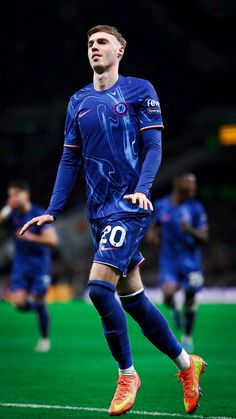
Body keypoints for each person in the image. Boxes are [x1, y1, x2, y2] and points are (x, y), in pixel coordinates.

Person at [20, 25, 207, 415]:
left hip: (130, 204)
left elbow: (154, 146)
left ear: (120, 50)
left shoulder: (140, 90)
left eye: (102, 41)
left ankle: (127, 374)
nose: (94, 47)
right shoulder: (78, 101)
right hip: (97, 211)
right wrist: (52, 208)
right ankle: (188, 365)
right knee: (134, 301)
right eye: (89, 43)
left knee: (98, 289)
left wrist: (144, 186)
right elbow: (70, 159)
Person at [149, 173, 209, 353]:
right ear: (179, 183)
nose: (194, 187)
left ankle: (188, 336)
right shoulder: (161, 205)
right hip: (169, 261)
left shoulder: (196, 208)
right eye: (191, 183)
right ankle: (174, 306)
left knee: (190, 296)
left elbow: (205, 236)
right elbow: (154, 226)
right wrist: (152, 235)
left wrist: (189, 229)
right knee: (167, 294)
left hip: (191, 262)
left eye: (195, 183)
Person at [0, 180, 58, 352]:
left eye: (16, 194)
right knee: (18, 303)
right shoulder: (13, 215)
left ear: (27, 195)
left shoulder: (38, 213)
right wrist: (7, 208)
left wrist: (33, 238)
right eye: (10, 196)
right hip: (20, 266)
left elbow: (53, 241)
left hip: (40, 266)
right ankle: (39, 306)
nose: (13, 198)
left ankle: (44, 338)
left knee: (37, 300)